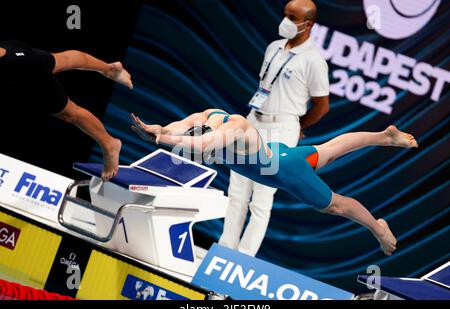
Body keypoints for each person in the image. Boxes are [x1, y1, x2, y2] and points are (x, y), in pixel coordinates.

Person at [130, 109, 419, 256]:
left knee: (336, 206)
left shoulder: (235, 128)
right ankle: (384, 137)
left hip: (286, 173)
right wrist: (162, 129)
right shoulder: (210, 115)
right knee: (329, 150)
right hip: (281, 156)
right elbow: (185, 126)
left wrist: (161, 139)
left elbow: (205, 143)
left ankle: (379, 228)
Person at [221, 0, 330, 256]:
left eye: (293, 18)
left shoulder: (314, 60)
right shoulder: (273, 48)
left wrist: (298, 125)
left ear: (308, 24)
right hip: (253, 120)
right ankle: (224, 253)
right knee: (237, 192)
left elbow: (322, 106)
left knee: (261, 199)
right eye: (285, 15)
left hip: (282, 128)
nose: (286, 21)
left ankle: (242, 259)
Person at [0, 40, 133, 180]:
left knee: (69, 113)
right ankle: (109, 69)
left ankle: (109, 144)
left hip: (17, 66)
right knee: (60, 60)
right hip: (13, 53)